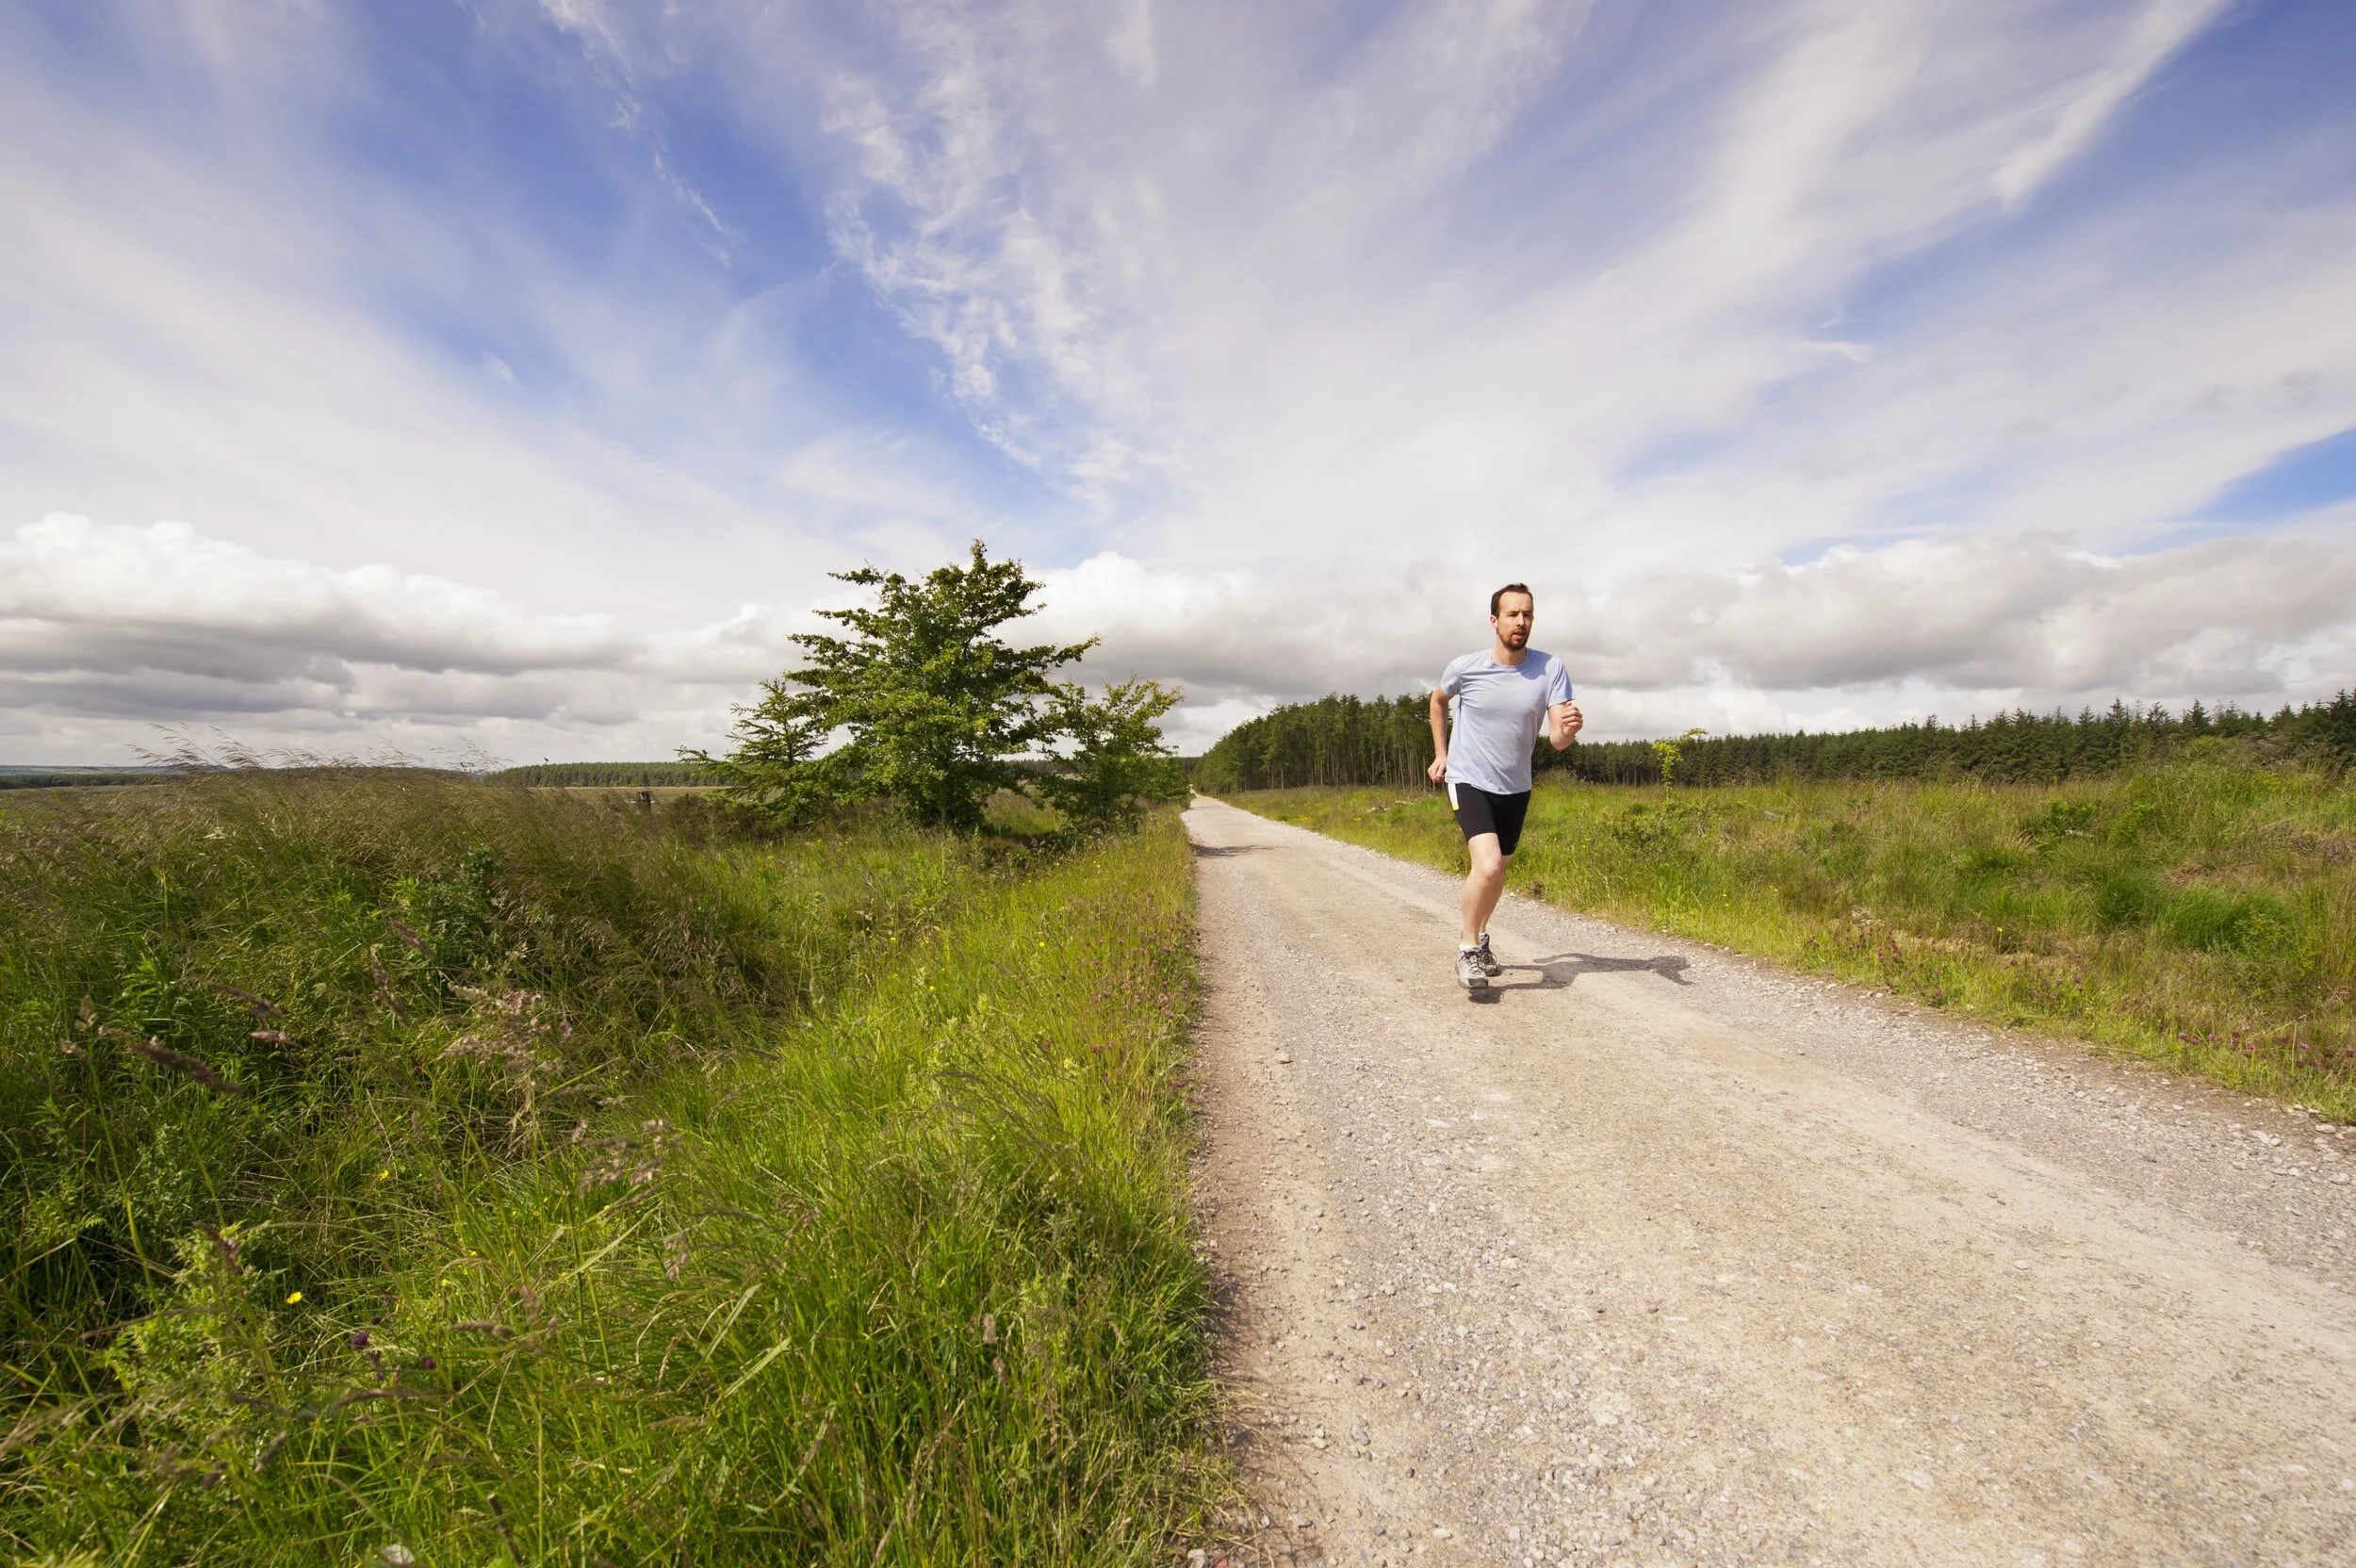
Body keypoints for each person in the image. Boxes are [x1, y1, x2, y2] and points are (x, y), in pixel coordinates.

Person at [1427, 583, 1581, 988]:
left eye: (1527, 614)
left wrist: (1569, 730)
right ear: (1494, 621)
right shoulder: (1466, 667)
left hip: (1516, 786)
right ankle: (1467, 949)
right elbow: (1438, 701)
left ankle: (1479, 937)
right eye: (1513, 614)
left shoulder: (1550, 668)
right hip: (1469, 778)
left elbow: (1557, 740)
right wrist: (1442, 754)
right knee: (1489, 864)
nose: (1521, 622)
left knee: (1498, 875)